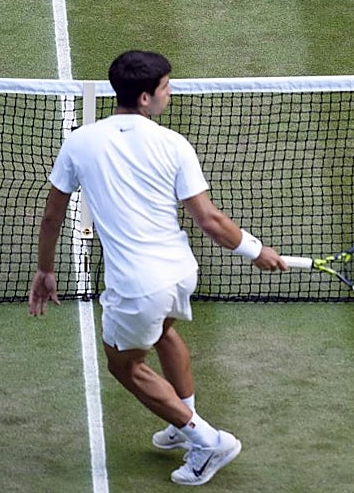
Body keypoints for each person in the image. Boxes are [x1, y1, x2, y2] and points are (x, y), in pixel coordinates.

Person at [29, 49, 287, 486]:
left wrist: (45, 270)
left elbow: (53, 214)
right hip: (179, 272)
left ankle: (205, 439)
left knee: (125, 367)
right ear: (145, 98)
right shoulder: (174, 144)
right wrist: (255, 250)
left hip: (136, 286)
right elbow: (209, 220)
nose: (171, 93)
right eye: (166, 86)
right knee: (164, 333)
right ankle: (181, 421)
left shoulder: (79, 142)